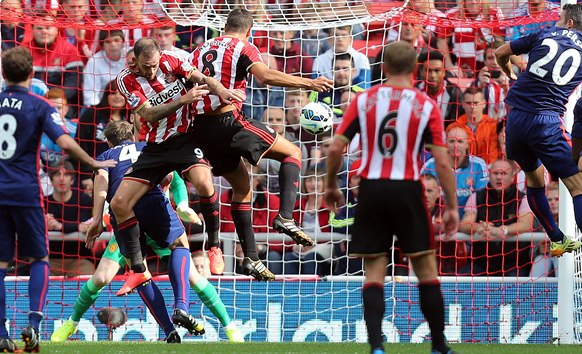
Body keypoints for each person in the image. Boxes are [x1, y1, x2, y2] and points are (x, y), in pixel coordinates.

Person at [0, 46, 115, 353]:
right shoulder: (39, 105)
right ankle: (33, 324)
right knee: (39, 260)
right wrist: (95, 163)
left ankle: (0, 333)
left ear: (3, 74)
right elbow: (65, 143)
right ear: (32, 74)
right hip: (26, 192)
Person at [52, 121, 244, 342]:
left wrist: (97, 219)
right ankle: (229, 328)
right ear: (133, 136)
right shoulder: (150, 147)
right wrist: (182, 205)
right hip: (155, 211)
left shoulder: (106, 157)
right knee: (193, 275)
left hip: (125, 219)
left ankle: (73, 323)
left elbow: (102, 184)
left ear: (108, 141)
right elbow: (175, 179)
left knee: (112, 275)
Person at [325, 41, 458, 354]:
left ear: (382, 67)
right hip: (408, 189)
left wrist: (331, 185)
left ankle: (376, 347)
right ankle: (439, 345)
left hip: (371, 188)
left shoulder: (364, 101)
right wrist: (451, 205)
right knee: (425, 267)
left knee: (374, 270)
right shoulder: (426, 104)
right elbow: (441, 162)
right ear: (415, 70)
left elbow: (334, 148)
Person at [191, 9, 333, 281]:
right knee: (292, 151)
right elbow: (265, 76)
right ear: (249, 30)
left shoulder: (201, 49)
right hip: (228, 121)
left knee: (242, 188)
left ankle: (252, 259)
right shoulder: (245, 46)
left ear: (225, 26)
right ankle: (286, 217)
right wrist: (308, 82)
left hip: (202, 129)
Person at [113, 37, 243, 288]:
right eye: (145, 66)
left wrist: (222, 91)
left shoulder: (172, 62)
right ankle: (139, 269)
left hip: (183, 140)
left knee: (205, 184)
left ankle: (214, 246)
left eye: (153, 65)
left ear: (159, 57)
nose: (150, 70)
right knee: (119, 203)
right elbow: (148, 114)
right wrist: (183, 100)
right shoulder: (125, 80)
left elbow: (203, 80)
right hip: (154, 148)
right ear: (134, 62)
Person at [495, 3, 582, 257]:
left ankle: (556, 239)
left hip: (516, 120)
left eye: (560, 19)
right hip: (546, 122)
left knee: (534, 179)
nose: (556, 22)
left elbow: (500, 51)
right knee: (577, 186)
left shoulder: (543, 34)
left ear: (570, 23)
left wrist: (509, 72)